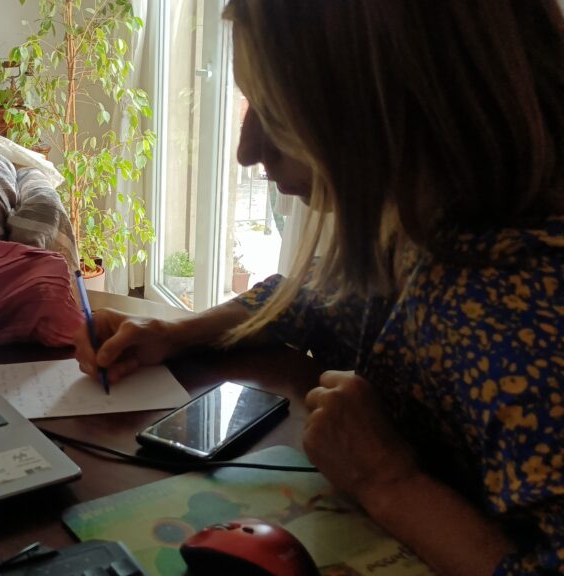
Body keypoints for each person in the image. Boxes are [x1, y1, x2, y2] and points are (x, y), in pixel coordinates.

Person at [74, 2, 564, 575]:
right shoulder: (428, 231)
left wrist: (389, 481)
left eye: (277, 113)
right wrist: (174, 332)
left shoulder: (525, 321)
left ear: (391, 107)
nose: (247, 151)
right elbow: (313, 302)